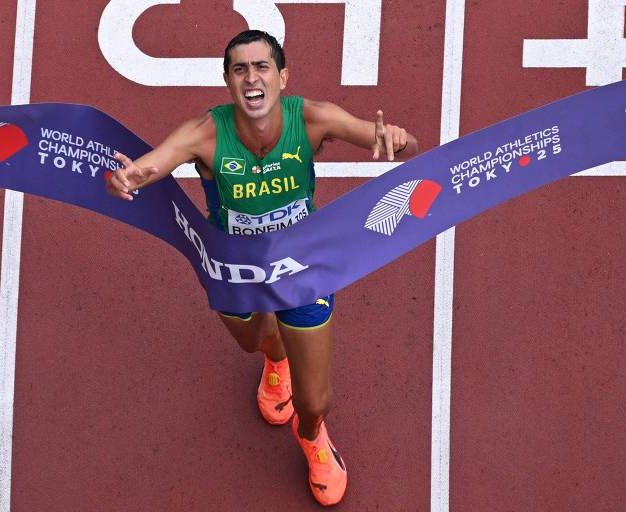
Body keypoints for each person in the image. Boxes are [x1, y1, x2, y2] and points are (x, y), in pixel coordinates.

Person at [107, 29, 418, 506]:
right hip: (235, 272)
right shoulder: (204, 134)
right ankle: (276, 361)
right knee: (255, 340)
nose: (251, 77)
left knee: (315, 401)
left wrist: (396, 139)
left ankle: (312, 437)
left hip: (302, 268)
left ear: (282, 77)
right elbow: (152, 166)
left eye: (262, 67)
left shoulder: (311, 120)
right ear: (229, 83)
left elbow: (403, 147)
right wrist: (128, 177)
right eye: (239, 69)